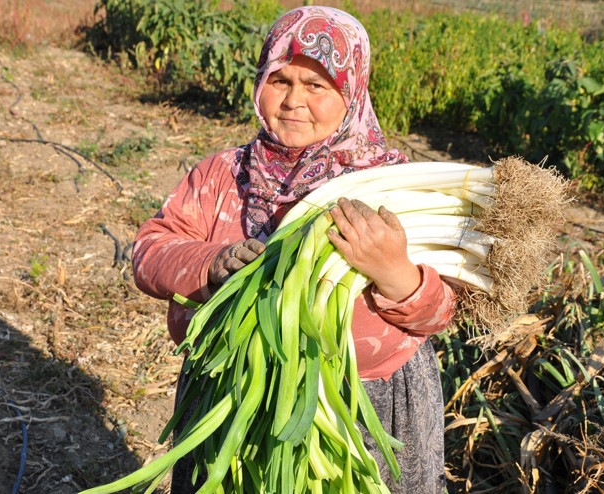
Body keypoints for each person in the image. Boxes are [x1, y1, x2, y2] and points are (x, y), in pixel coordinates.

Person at [132, 6, 455, 493]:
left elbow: (437, 315)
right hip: (233, 397)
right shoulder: (222, 175)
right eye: (280, 80)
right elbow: (149, 250)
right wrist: (209, 264)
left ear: (352, 92)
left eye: (317, 86)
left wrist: (393, 271)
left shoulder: (393, 187)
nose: (292, 101)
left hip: (367, 408)